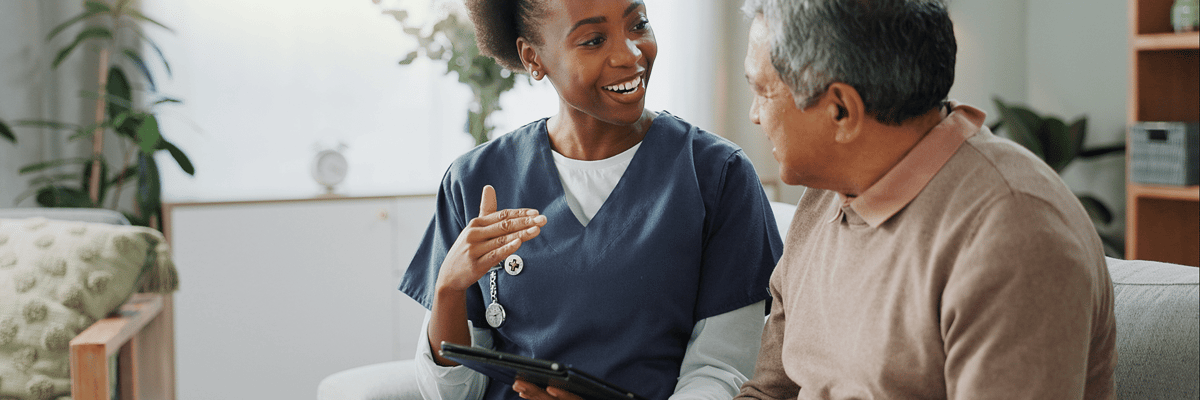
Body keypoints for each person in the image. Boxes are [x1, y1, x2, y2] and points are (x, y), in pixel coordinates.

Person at [399, 1, 783, 399]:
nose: (630, 54)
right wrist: (447, 288)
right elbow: (453, 393)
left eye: (638, 25)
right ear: (533, 57)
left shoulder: (719, 175)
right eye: (594, 39)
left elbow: (722, 372)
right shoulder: (474, 180)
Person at [735, 0, 1116, 399]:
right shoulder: (826, 193)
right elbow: (769, 393)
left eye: (762, 91)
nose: (754, 115)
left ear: (842, 110)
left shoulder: (1016, 233)